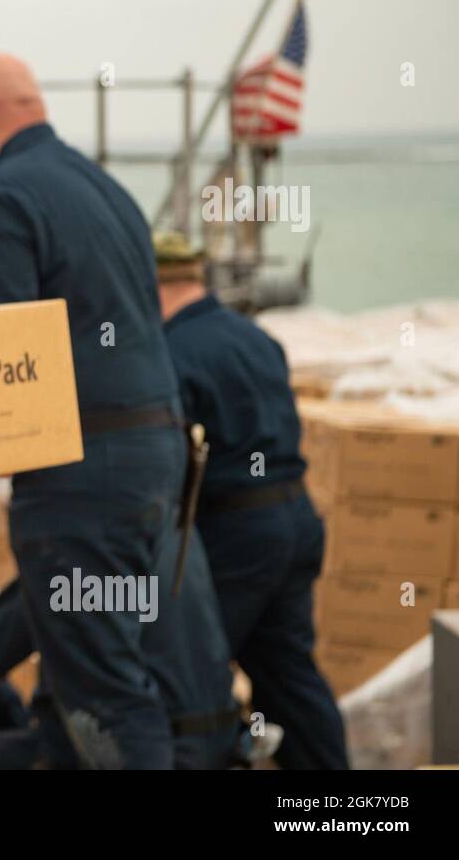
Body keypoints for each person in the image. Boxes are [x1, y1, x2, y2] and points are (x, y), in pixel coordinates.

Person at [0, 53, 237, 769]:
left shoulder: (2, 200)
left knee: (103, 688)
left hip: (82, 471)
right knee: (93, 667)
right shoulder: (109, 190)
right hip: (155, 463)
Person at [154, 231, 348, 770]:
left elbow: (171, 462)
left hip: (236, 533)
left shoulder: (172, 353)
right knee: (290, 676)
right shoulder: (257, 338)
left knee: (195, 679)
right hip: (297, 519)